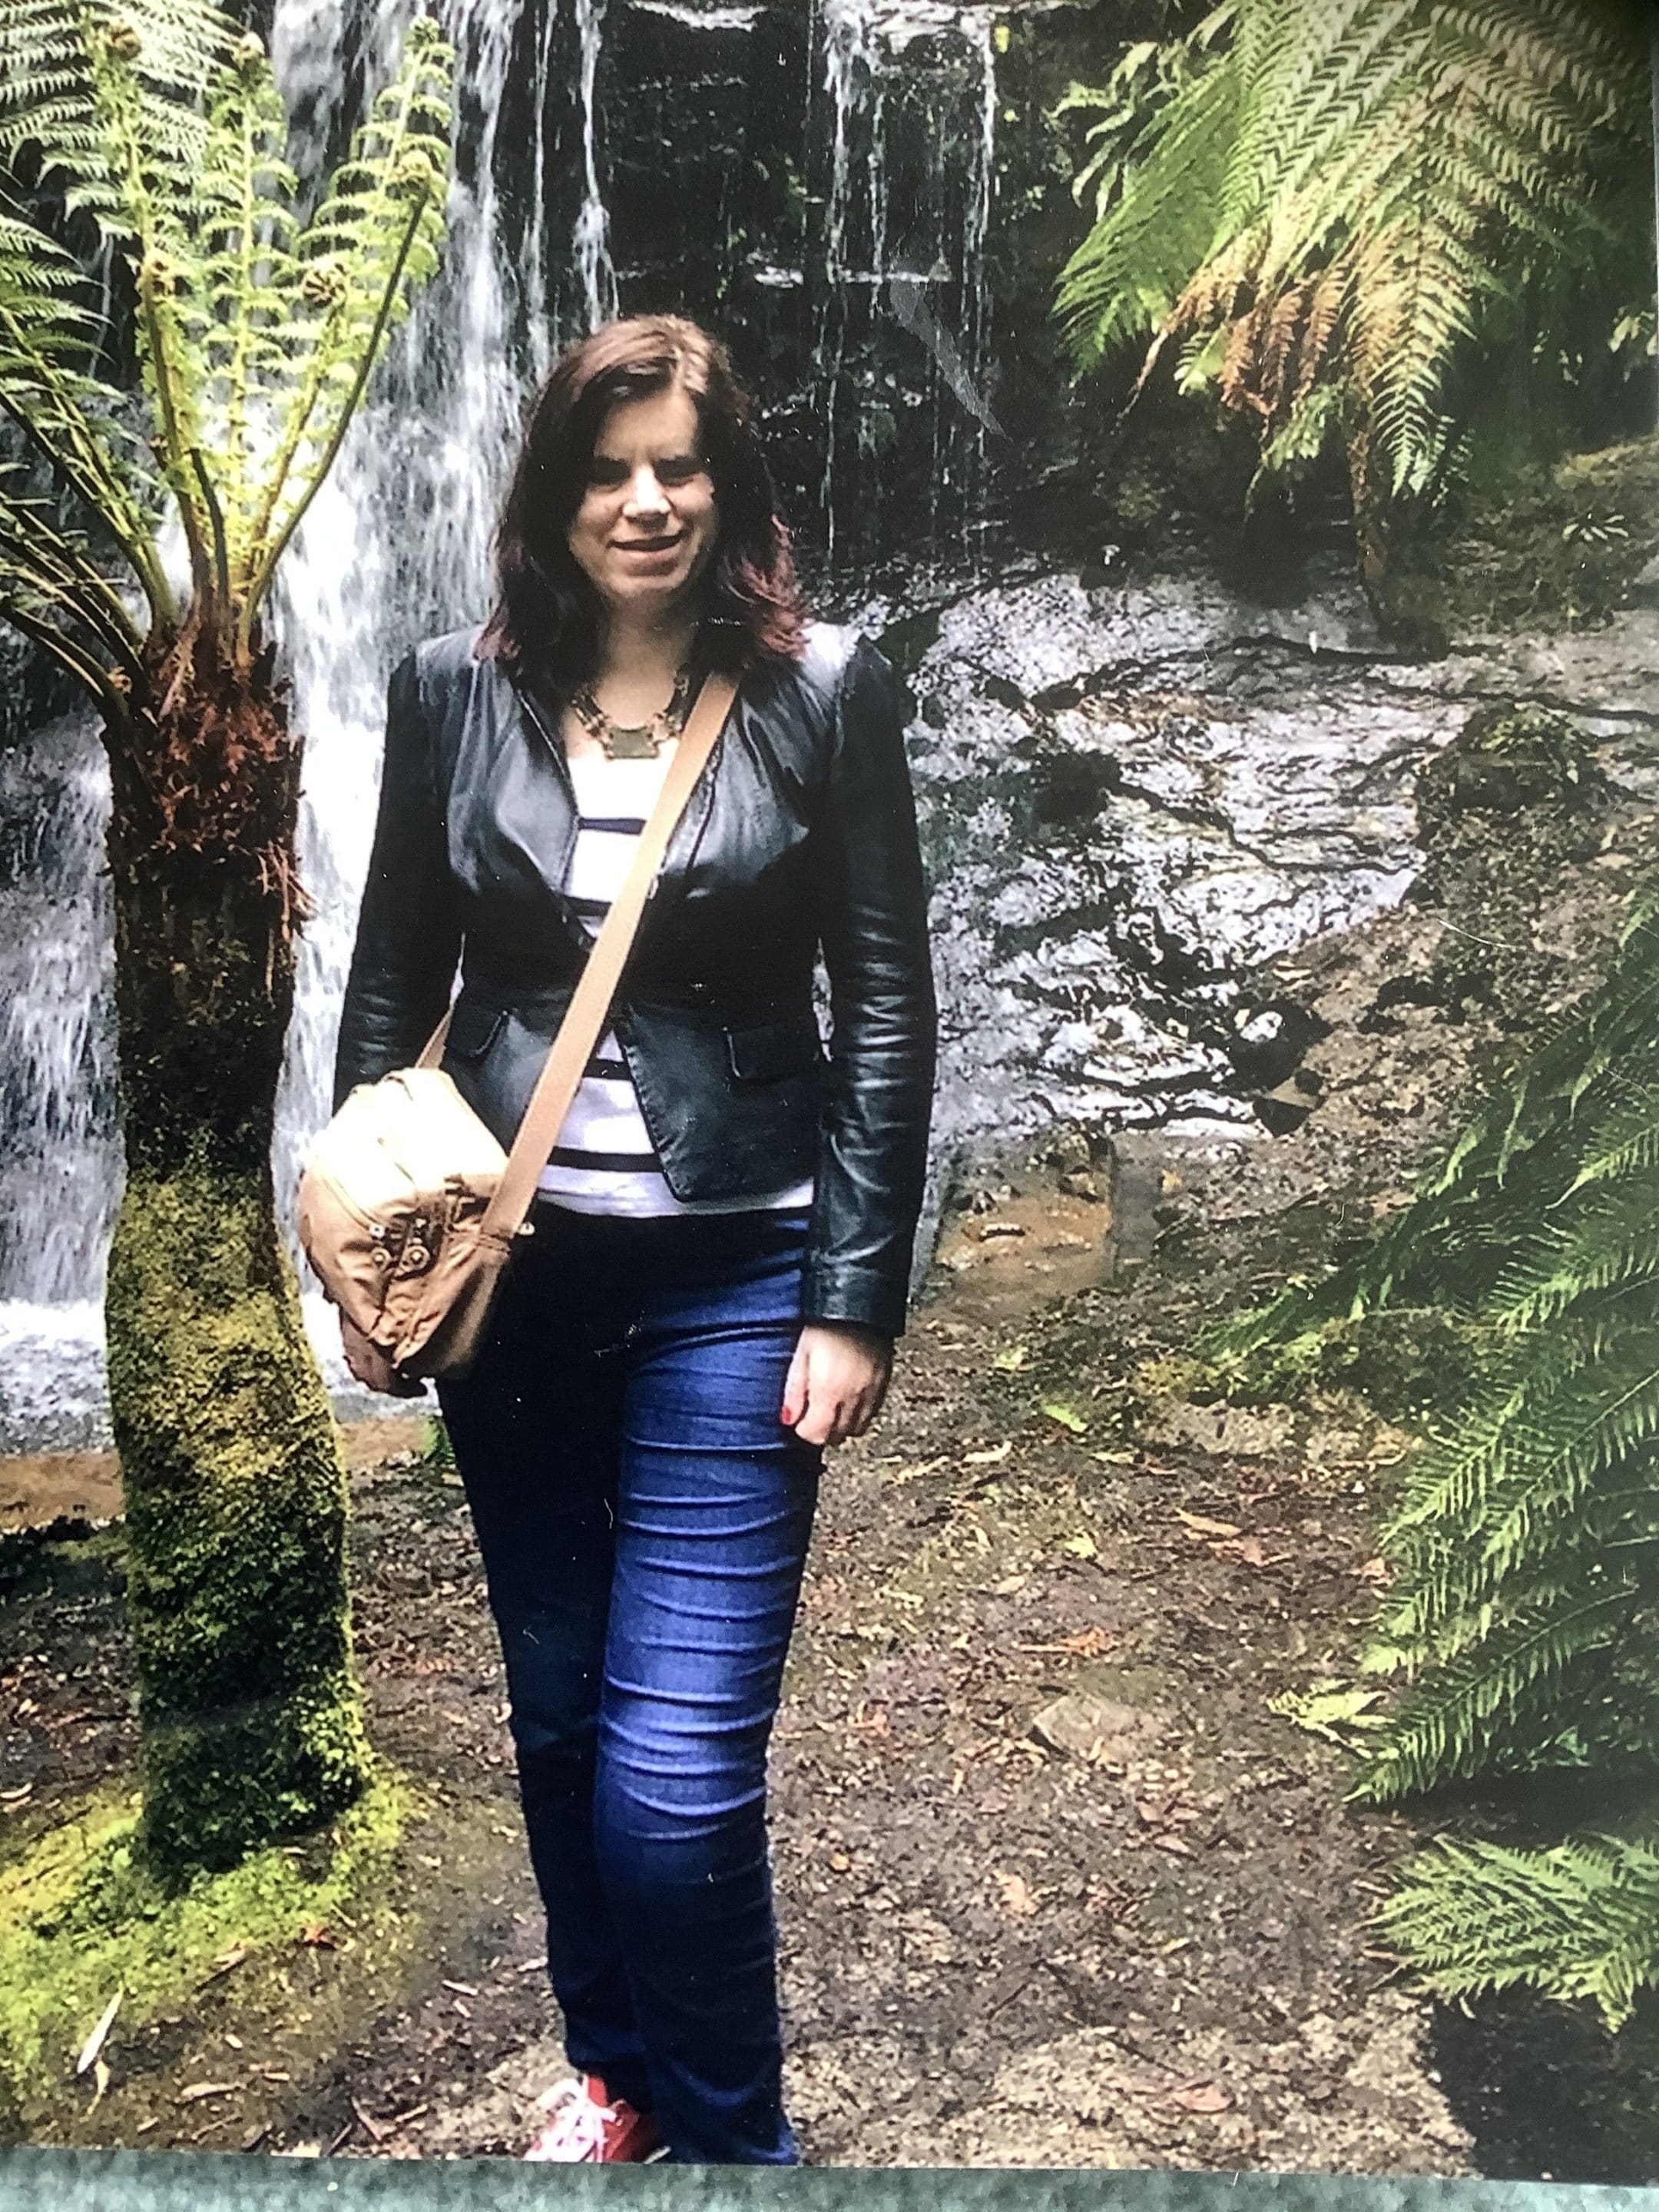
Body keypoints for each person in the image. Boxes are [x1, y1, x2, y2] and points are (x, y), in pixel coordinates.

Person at [330, 313, 936, 2165]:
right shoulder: (452, 688)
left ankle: (740, 2147)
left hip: (737, 1276)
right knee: (561, 1732)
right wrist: (367, 1254)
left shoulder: (828, 692)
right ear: (555, 493)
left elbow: (892, 1008)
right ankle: (617, 2082)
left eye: (679, 465)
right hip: (513, 1285)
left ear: (727, 484)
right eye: (609, 469)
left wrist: (850, 1299)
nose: (646, 501)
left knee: (673, 1779)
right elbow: (385, 996)